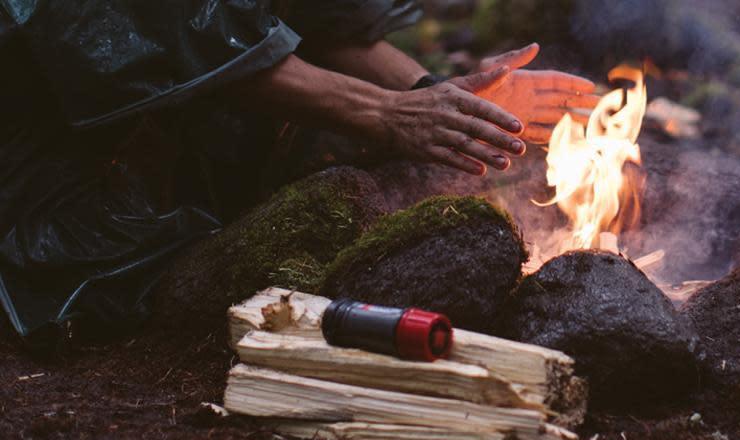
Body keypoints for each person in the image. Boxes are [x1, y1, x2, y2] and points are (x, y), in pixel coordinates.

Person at [0, 0, 599, 348]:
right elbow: (186, 45)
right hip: (57, 147)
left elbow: (316, 19)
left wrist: (437, 95)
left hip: (186, 125)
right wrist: (387, 114)